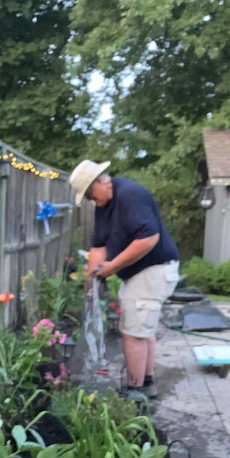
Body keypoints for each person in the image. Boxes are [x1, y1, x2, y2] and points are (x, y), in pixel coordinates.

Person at [69, 159, 180, 399]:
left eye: (89, 193)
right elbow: (99, 245)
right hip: (143, 272)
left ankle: (133, 392)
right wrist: (91, 278)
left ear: (100, 181)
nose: (90, 199)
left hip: (153, 269)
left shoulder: (129, 195)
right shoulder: (104, 204)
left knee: (133, 332)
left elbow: (148, 239)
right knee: (143, 329)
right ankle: (146, 383)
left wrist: (112, 267)